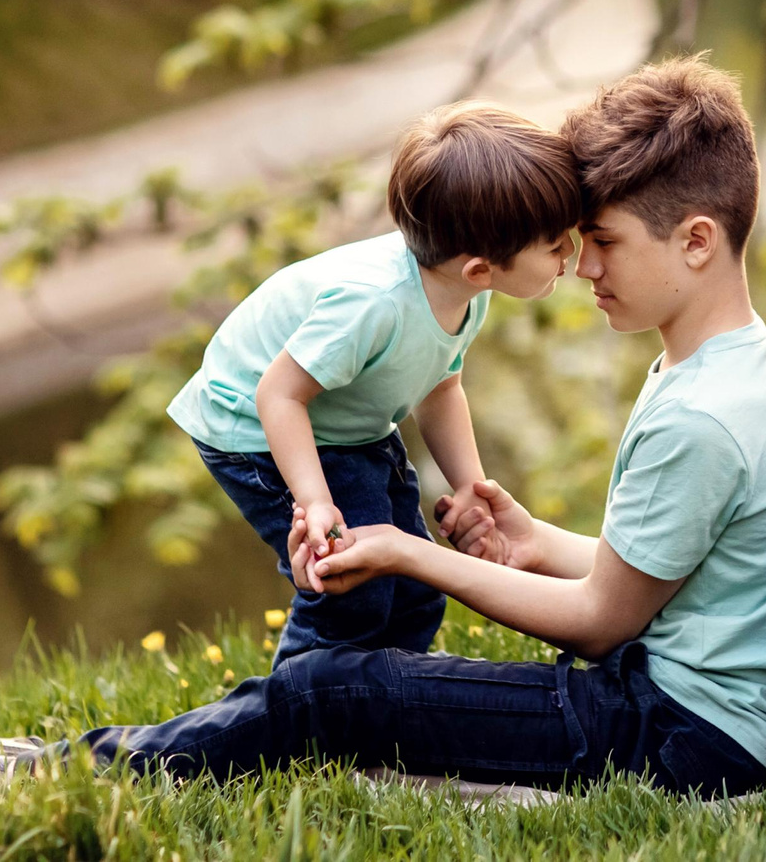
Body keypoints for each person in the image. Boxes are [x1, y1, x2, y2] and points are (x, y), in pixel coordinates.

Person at [0, 59, 766, 799]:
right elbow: (654, 575)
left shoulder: (698, 413)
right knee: (341, 682)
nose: (583, 268)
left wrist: (407, 554)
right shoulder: (739, 367)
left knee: (330, 693)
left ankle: (12, 772)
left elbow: (604, 620)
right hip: (705, 713)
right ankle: (27, 758)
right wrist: (530, 544)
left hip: (677, 738)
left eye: (601, 243)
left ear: (696, 241)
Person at [161, 101, 586, 665]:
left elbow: (441, 388)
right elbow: (278, 393)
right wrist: (314, 502)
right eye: (555, 245)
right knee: (353, 584)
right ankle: (303, 706)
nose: (572, 255)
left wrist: (470, 487)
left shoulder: (467, 296)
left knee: (415, 585)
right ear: (480, 267)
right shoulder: (373, 303)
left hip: (345, 419)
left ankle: (389, 696)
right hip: (257, 425)